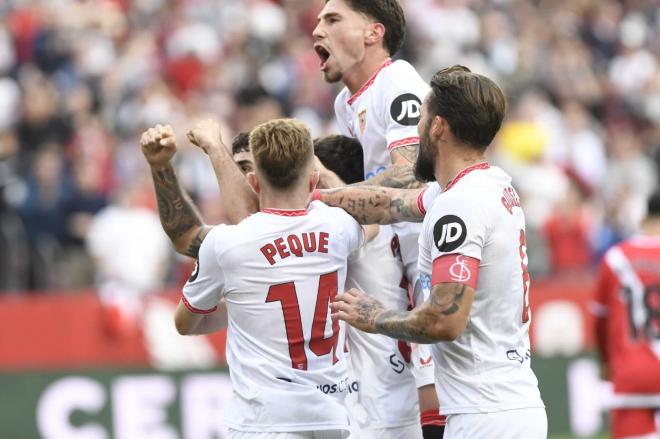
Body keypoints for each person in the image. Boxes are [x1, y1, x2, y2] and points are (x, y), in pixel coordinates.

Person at [324, 65, 547, 438]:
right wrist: (315, 199)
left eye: (422, 119)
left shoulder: (459, 205)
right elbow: (390, 204)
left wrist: (376, 316)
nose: (417, 129)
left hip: (486, 415)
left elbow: (444, 320)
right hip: (508, 404)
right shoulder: (488, 185)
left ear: (438, 126)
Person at [140, 119, 373, 438]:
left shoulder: (227, 244)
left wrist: (163, 165)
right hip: (333, 417)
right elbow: (373, 222)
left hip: (263, 422)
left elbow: (185, 322)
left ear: (254, 181)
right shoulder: (339, 226)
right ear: (313, 180)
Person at [313, 0, 442, 431]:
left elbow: (410, 172)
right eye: (318, 21)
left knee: (434, 376)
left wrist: (333, 199)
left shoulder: (398, 80)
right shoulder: (344, 103)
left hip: (426, 241)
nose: (317, 30)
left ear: (373, 32)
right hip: (389, 243)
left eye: (332, 20)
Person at [315, 134, 423, 438]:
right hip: (396, 387)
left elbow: (361, 221)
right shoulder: (388, 224)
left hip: (375, 395)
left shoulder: (359, 228)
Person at [591, 190, 660, 439]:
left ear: (644, 218)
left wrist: (606, 362)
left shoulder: (615, 258)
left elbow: (599, 322)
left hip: (633, 375)